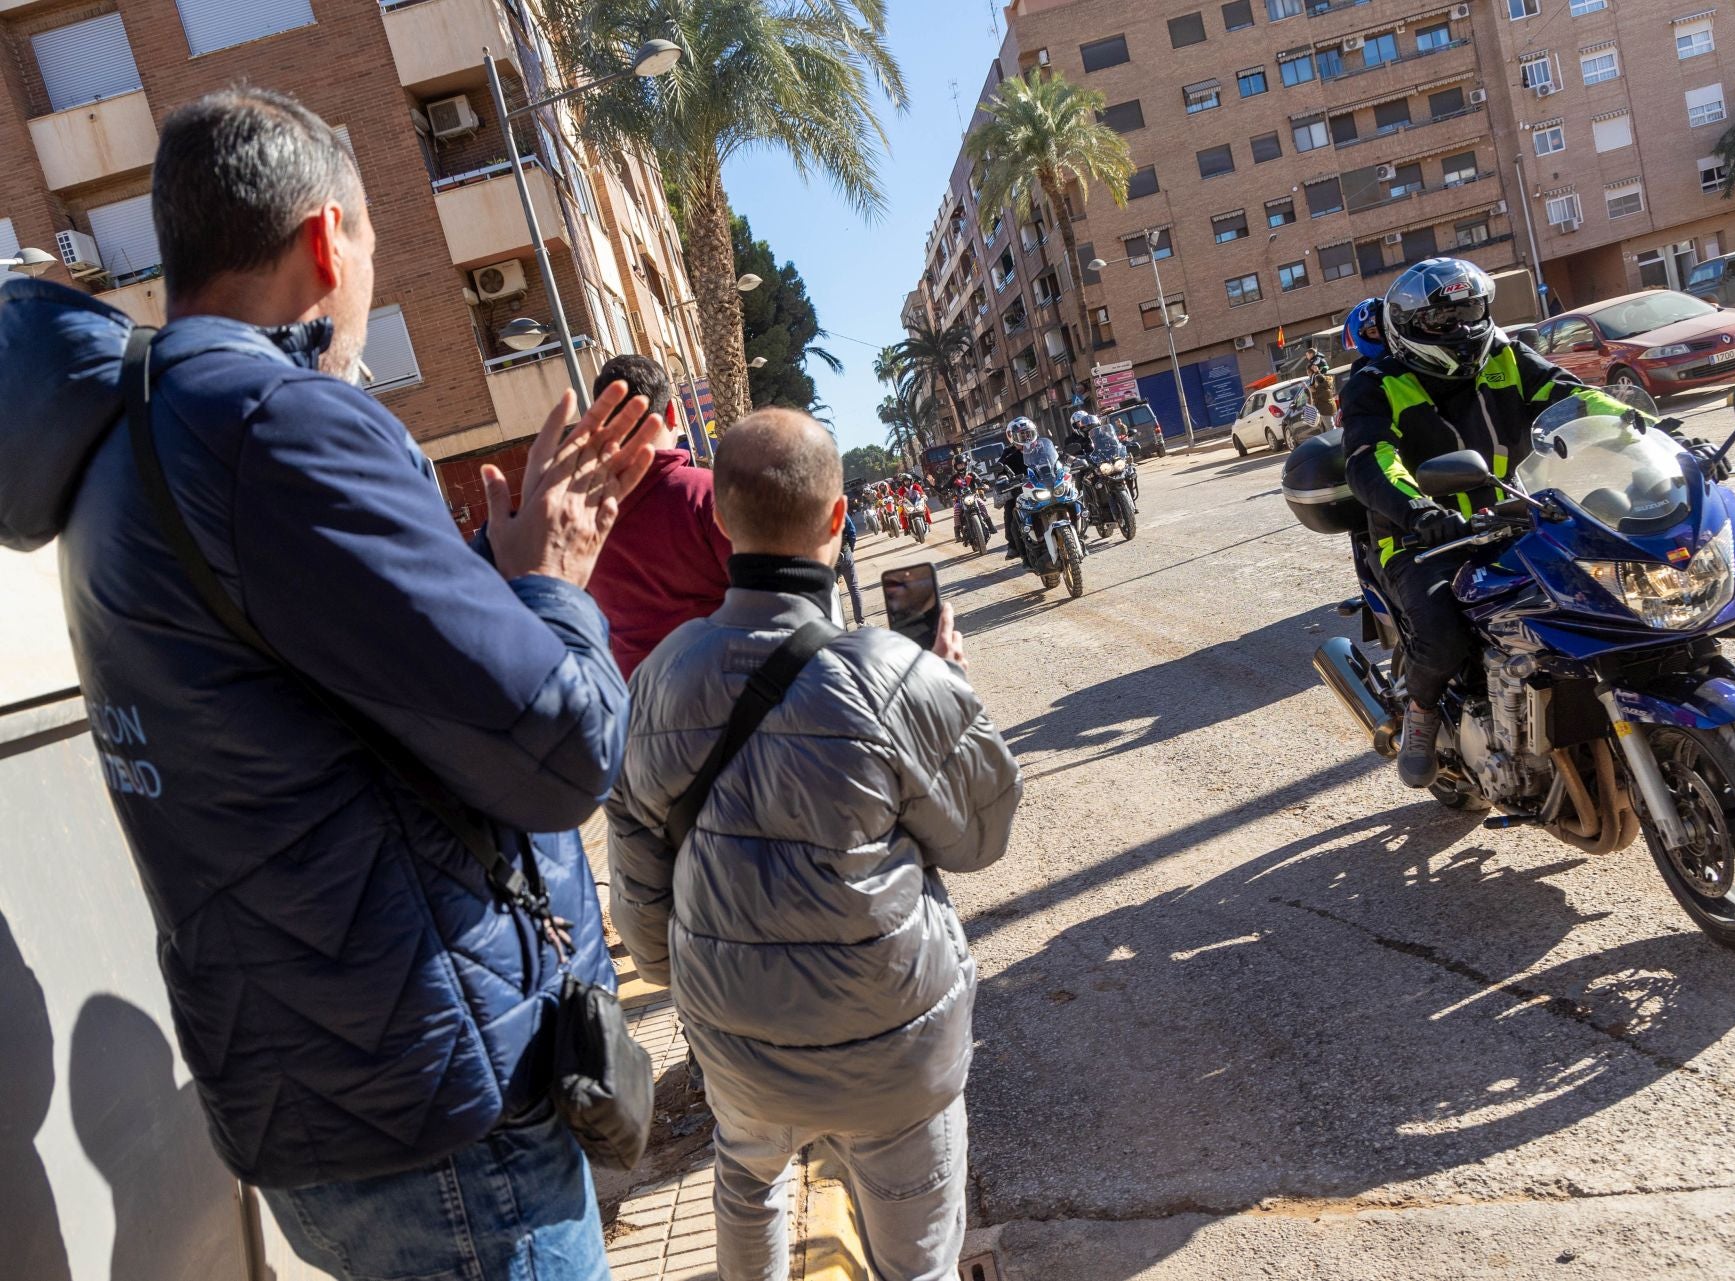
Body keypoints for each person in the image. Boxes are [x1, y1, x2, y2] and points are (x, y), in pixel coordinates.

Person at [0, 89, 649, 1278]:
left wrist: (495, 586)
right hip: (444, 1126)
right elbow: (562, 749)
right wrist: (555, 582)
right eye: (366, 251)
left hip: (332, 1104)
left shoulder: (130, 445)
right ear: (322, 238)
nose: (363, 286)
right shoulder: (272, 424)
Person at [604, 408, 1022, 1281]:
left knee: (745, 1179)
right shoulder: (895, 674)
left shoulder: (653, 682)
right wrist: (953, 687)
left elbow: (643, 929)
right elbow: (982, 835)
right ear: (839, 519)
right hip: (893, 1053)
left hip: (741, 1049)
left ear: (721, 520)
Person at [1342, 258, 1628, 789]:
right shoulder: (1374, 383)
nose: (1461, 329)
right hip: (1419, 539)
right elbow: (1371, 460)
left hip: (1522, 511)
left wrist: (1661, 436)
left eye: (1469, 311)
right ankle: (1423, 711)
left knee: (1602, 596)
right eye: (1441, 321)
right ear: (1407, 328)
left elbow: (1579, 399)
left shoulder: (1507, 356)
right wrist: (1419, 511)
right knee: (1444, 637)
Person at [586, 352, 734, 679]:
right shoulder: (706, 492)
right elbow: (760, 596)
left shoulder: (587, 517)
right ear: (671, 412)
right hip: (723, 690)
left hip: (642, 705)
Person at [998, 416, 1040, 560]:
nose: (1026, 438)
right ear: (1012, 437)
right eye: (1022, 435)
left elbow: (1054, 458)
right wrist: (1002, 477)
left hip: (1042, 485)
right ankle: (1014, 546)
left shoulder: (1040, 446)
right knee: (1011, 510)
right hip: (1020, 490)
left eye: (1029, 433)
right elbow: (1000, 469)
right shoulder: (1008, 453)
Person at [835, 508, 864, 626]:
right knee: (853, 588)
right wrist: (850, 548)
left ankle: (838, 627)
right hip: (844, 552)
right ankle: (860, 622)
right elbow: (851, 530)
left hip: (827, 558)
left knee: (832, 593)